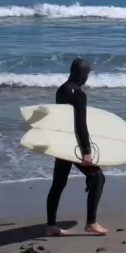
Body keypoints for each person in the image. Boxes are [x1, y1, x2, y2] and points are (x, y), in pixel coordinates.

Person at [46, 58, 108, 236]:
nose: (88, 76)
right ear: (83, 75)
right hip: (73, 145)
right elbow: (80, 125)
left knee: (58, 183)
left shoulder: (62, 90)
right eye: (87, 73)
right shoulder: (79, 94)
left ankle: (51, 226)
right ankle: (91, 223)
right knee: (97, 177)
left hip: (61, 143)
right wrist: (86, 152)